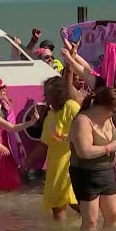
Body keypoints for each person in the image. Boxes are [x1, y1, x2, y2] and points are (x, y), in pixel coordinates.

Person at [69, 87, 116, 231]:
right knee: (91, 221)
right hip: (85, 174)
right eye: (113, 112)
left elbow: (112, 135)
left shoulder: (107, 119)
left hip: (107, 171)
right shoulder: (82, 121)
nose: (114, 115)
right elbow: (84, 151)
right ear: (102, 107)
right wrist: (110, 147)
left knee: (113, 216)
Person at [40, 76, 81, 220]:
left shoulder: (71, 107)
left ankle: (93, 222)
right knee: (57, 204)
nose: (45, 97)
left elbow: (84, 128)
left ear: (58, 93)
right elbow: (45, 143)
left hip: (70, 161)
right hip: (55, 164)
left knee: (74, 200)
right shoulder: (50, 115)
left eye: (48, 93)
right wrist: (29, 160)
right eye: (45, 93)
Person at [0, 77, 25, 192]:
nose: (5, 90)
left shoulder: (7, 106)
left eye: (5, 88)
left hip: (8, 142)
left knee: (11, 176)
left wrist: (19, 143)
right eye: (1, 88)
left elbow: (13, 126)